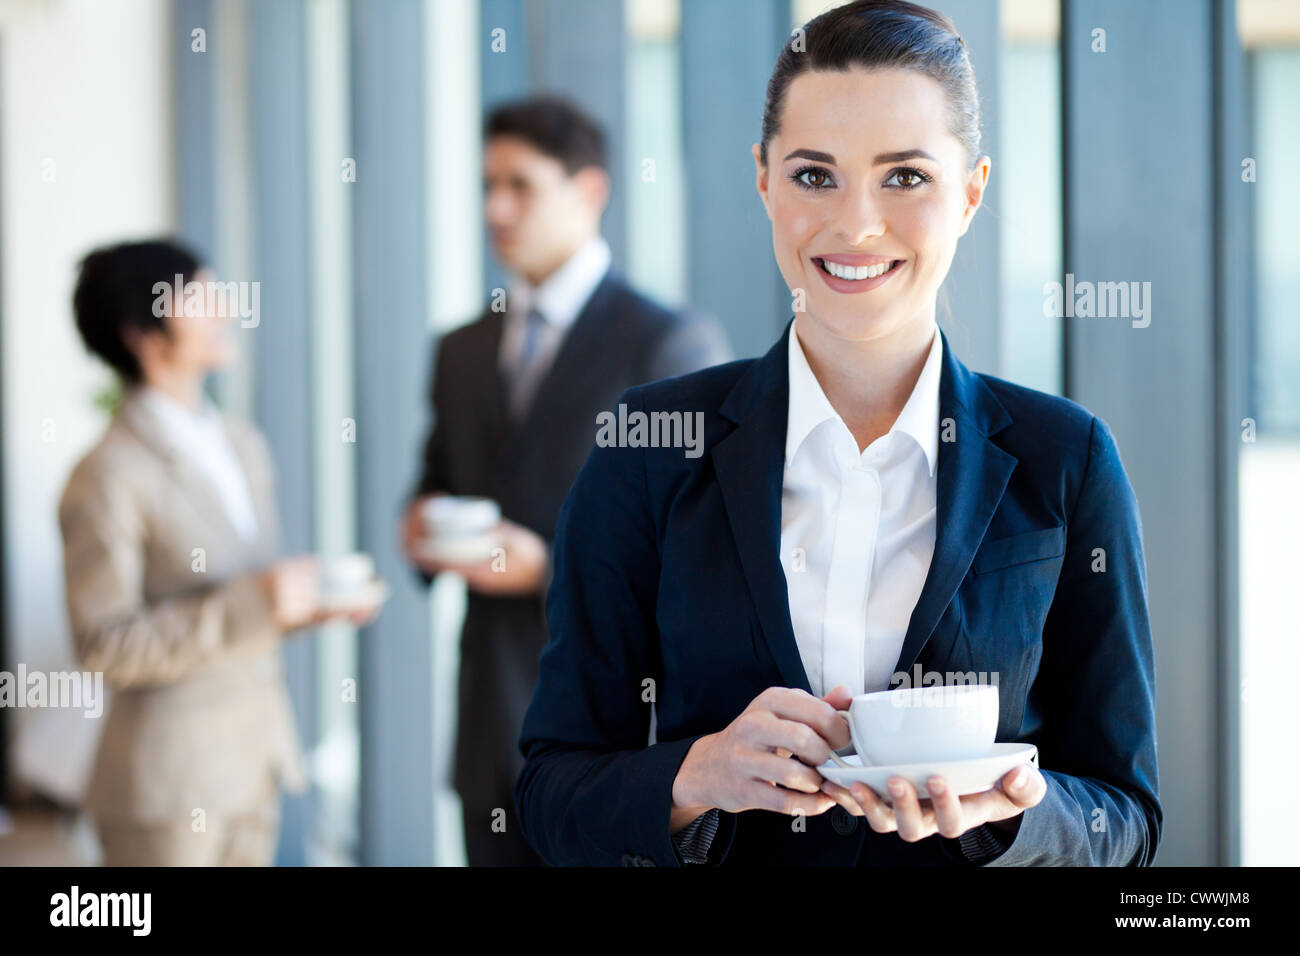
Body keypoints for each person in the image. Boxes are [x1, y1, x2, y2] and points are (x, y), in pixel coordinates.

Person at [515, 0, 1161, 866]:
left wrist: (1010, 816)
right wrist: (693, 777)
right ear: (763, 179)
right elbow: (551, 794)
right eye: (815, 175)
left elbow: (1126, 816)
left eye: (905, 177)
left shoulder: (1066, 461)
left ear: (971, 191)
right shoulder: (648, 451)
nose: (856, 224)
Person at [400, 96, 731, 866]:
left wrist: (545, 567)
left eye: (520, 185)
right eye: (487, 186)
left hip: (613, 738)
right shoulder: (461, 350)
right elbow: (436, 478)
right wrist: (419, 526)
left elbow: (703, 552)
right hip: (489, 725)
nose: (496, 208)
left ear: (589, 191)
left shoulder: (667, 342)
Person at [59, 239, 380, 865]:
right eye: (200, 296)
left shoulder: (242, 443)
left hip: (254, 764)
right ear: (142, 332)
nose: (225, 308)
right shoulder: (106, 473)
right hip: (166, 789)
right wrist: (254, 604)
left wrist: (308, 604)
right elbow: (103, 643)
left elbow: (249, 601)